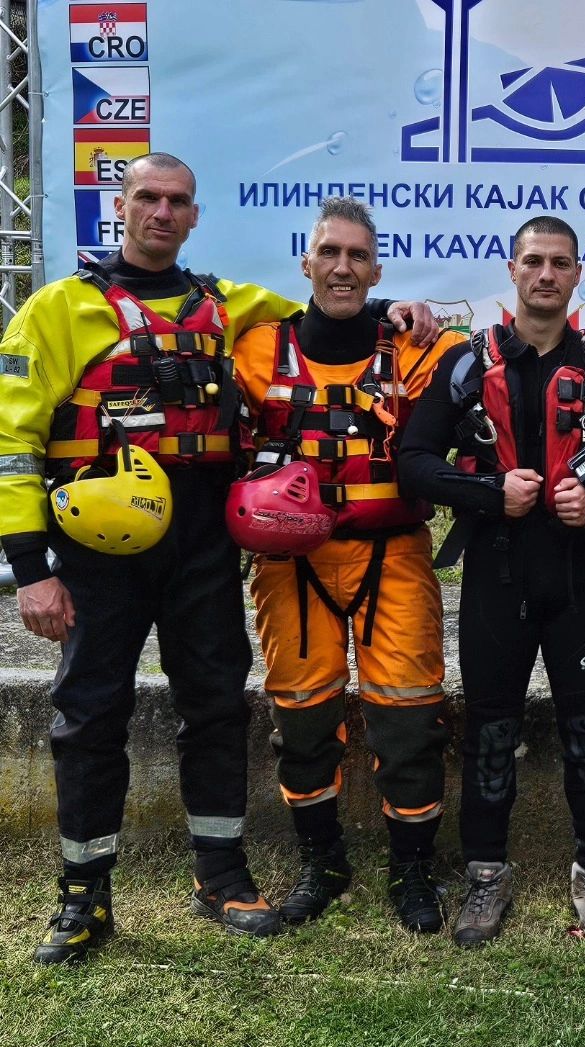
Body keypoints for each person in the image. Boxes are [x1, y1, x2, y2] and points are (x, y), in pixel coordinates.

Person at [0, 153, 435, 963]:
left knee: (217, 706)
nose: (162, 213)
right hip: (96, 553)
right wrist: (32, 568)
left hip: (202, 540)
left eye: (178, 202)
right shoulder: (57, 311)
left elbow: (330, 316)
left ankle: (222, 875)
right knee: (90, 715)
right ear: (120, 209)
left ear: (195, 217)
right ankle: (83, 897)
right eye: (147, 199)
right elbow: (11, 444)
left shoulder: (231, 308)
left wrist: (399, 311)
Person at [397, 215, 585, 947]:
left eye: (560, 263)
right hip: (496, 575)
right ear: (511, 271)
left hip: (582, 578)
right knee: (490, 734)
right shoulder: (465, 360)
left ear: (578, 275)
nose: (546, 275)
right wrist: (488, 493)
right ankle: (487, 875)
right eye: (533, 262)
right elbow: (414, 458)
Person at [229, 197, 470, 933]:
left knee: (408, 720)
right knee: (301, 720)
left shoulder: (420, 351)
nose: (342, 267)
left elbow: (487, 358)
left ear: (377, 268)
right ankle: (322, 861)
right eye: (329, 253)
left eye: (358, 256)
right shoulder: (256, 350)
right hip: (289, 563)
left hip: (391, 556)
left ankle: (412, 871)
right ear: (305, 262)